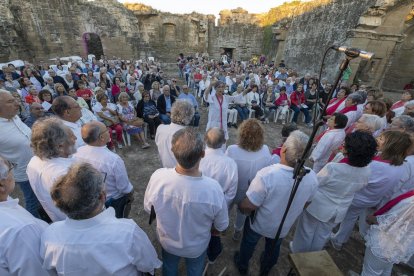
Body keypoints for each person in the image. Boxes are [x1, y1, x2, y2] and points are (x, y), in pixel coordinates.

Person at [41, 162, 162, 275]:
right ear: (102, 196)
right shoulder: (127, 232)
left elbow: (50, 269)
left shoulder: (50, 234)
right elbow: (148, 264)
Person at [144, 128, 229, 275]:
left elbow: (148, 208)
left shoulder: (158, 177)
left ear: (173, 151)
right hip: (196, 246)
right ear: (203, 154)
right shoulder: (213, 189)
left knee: (169, 268)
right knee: (195, 270)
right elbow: (222, 225)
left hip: (167, 241)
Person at [234, 130, 319, 275]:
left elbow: (249, 205)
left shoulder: (267, 175)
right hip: (283, 226)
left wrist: (240, 205)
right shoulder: (312, 177)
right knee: (274, 246)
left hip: (259, 224)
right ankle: (266, 268)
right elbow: (306, 204)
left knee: (249, 243)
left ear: (284, 149)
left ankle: (242, 264)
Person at [291, 131, 377, 253]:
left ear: (349, 150)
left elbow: (316, 182)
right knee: (323, 234)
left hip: (319, 205)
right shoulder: (367, 171)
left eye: (345, 144)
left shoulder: (333, 168)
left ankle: (298, 252)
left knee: (306, 230)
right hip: (340, 208)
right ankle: (314, 254)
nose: (342, 145)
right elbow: (361, 186)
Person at [331, 130, 412, 250]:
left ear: (390, 145)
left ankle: (326, 235)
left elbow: (357, 178)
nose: (377, 139)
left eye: (381, 139)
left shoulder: (375, 164)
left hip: (356, 197)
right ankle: (339, 240)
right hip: (371, 199)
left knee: (337, 215)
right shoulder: (402, 165)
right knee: (351, 218)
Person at [74, 121, 134, 218]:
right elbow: (123, 187)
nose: (108, 131)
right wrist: (131, 194)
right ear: (101, 137)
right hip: (113, 200)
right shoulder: (113, 159)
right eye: (106, 129)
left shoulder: (77, 152)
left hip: (91, 200)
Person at [0, 155, 49, 276]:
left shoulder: (5, 201)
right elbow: (39, 271)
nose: (13, 171)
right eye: (11, 167)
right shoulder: (20, 230)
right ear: (1, 185)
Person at [226, 119, 273, 240]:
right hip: (251, 189)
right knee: (243, 212)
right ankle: (238, 230)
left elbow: (226, 168)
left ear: (241, 134)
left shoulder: (232, 149)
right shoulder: (265, 149)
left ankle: (223, 226)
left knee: (227, 207)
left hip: (234, 187)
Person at [199, 127, 238, 263]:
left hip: (199, 203)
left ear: (205, 140)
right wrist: (223, 208)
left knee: (201, 227)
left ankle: (204, 251)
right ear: (224, 142)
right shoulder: (230, 163)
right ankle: (212, 254)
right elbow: (231, 192)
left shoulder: (198, 158)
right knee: (215, 231)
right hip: (220, 204)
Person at [27, 117, 77, 222]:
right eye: (71, 136)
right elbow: (82, 207)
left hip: (57, 219)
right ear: (60, 146)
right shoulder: (65, 173)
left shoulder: (33, 161)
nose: (76, 138)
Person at [0, 90, 41, 218]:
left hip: (39, 164)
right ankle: (35, 224)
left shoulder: (14, 116)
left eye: (15, 99)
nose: (17, 103)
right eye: (10, 101)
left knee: (42, 197)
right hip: (24, 173)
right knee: (32, 201)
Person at [155, 100, 194, 168]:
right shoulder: (188, 135)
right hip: (181, 172)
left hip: (165, 168)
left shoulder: (160, 128)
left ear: (172, 113)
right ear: (189, 116)